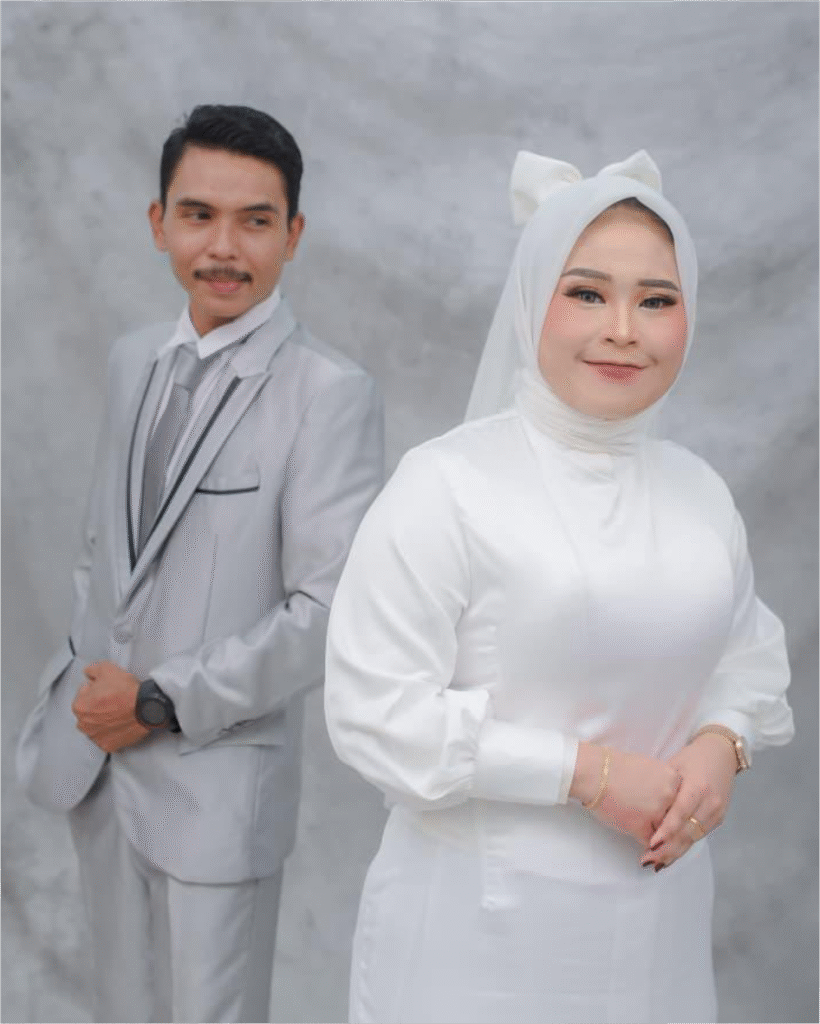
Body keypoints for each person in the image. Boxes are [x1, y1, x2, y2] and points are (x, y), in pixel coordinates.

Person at [323, 149, 794, 1024]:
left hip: (657, 929)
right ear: (531, 299)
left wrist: (721, 743)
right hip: (478, 936)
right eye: (586, 293)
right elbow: (374, 714)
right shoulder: (446, 486)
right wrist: (585, 773)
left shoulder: (700, 493)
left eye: (656, 300)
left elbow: (747, 656)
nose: (623, 329)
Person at [16, 104, 384, 1024]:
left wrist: (155, 701)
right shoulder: (131, 359)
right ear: (159, 223)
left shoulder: (329, 393)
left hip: (215, 786)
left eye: (255, 220)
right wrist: (87, 685)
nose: (224, 246)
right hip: (98, 768)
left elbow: (328, 612)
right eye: (198, 215)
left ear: (293, 234)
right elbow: (104, 555)